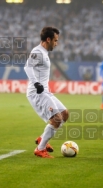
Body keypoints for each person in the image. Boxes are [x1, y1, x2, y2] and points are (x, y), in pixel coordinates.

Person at [24, 26, 69, 158]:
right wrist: (36, 83)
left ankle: (42, 139)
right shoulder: (38, 52)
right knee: (57, 119)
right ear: (48, 39)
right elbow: (28, 67)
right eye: (55, 40)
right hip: (37, 92)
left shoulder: (44, 53)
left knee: (64, 114)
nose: (57, 43)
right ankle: (40, 148)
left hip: (45, 92)